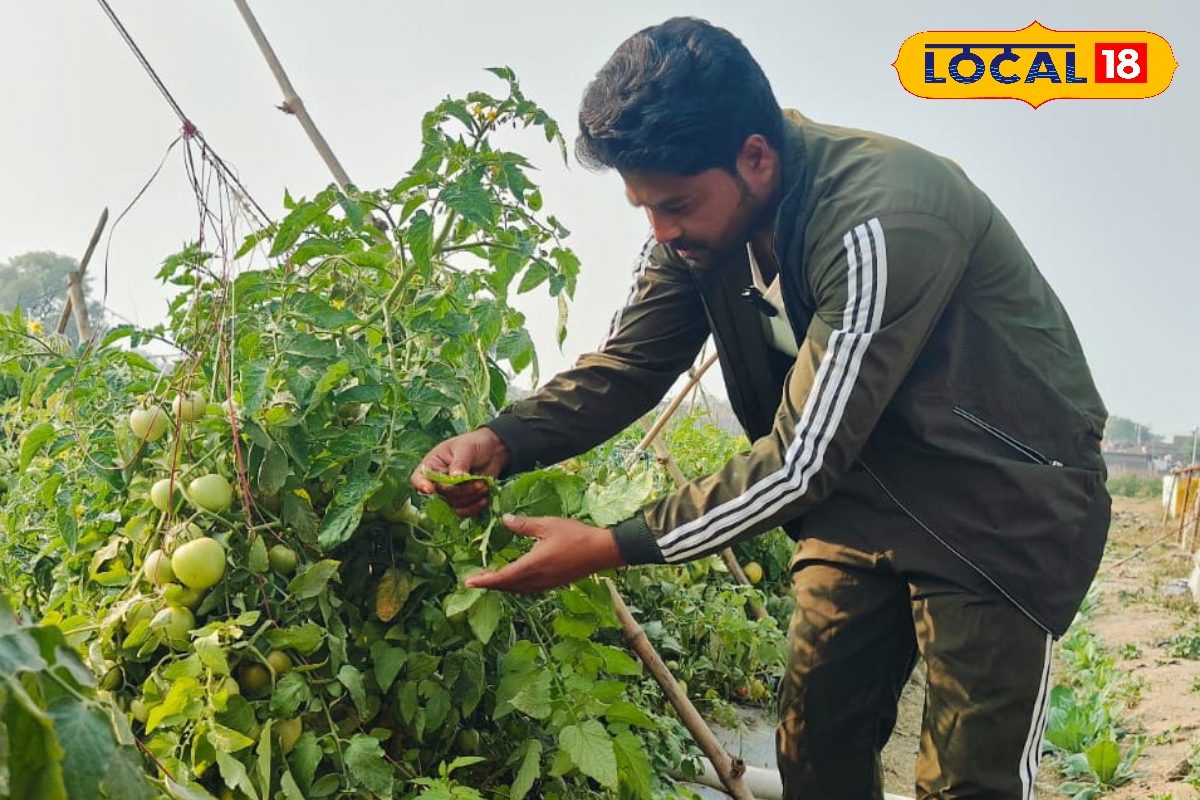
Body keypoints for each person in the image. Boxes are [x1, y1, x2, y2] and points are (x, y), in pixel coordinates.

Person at [411, 17, 1110, 799]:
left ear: (755, 157)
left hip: (995, 499)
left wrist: (611, 544)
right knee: (816, 750)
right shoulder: (702, 233)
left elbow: (802, 458)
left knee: (967, 781)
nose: (660, 230)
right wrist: (501, 440)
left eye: (675, 203)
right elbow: (629, 365)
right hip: (864, 497)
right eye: (644, 206)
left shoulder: (882, 218)